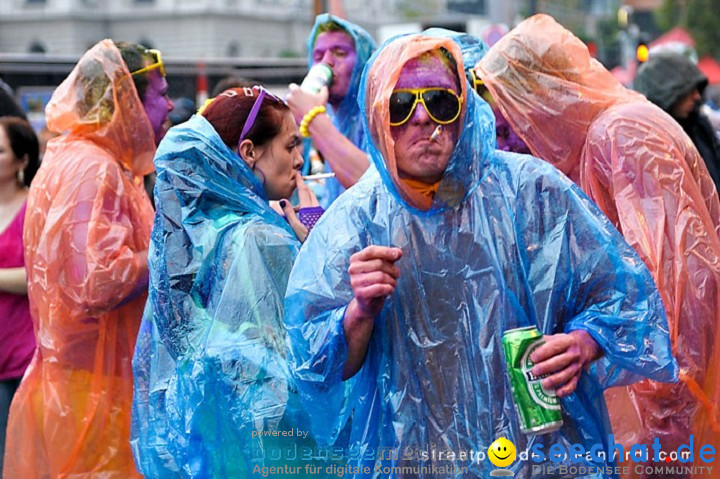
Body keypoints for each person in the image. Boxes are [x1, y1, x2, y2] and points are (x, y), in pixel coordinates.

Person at [284, 32, 677, 477]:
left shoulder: (533, 193)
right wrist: (359, 311)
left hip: (540, 456)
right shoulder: (355, 221)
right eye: (400, 106)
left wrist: (584, 343)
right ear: (377, 116)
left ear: (464, 110)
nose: (422, 119)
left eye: (439, 101)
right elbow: (317, 366)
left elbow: (623, 295)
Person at [474, 14, 720, 477]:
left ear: (543, 99)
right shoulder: (596, 143)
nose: (510, 148)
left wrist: (669, 417)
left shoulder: (622, 135)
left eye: (510, 128)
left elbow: (681, 289)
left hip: (677, 417)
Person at [131, 86, 329, 478]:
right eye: (290, 146)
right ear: (249, 151)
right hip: (272, 444)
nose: (300, 159)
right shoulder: (260, 237)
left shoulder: (191, 232)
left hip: (209, 440)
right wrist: (317, 242)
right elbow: (307, 350)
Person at [3, 40, 173, 478]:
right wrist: (172, 248)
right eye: (160, 93)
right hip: (94, 399)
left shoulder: (84, 159)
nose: (170, 105)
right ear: (127, 100)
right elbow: (96, 280)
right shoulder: (93, 169)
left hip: (86, 390)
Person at [286, 14, 376, 207]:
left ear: (363, 63)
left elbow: (371, 187)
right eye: (318, 56)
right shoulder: (333, 120)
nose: (326, 62)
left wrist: (314, 118)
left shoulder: (381, 116)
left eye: (340, 53)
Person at [0, 116, 39, 477]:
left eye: (0, 150)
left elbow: (42, 276)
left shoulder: (35, 209)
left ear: (22, 160)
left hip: (24, 355)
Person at [635, 52, 720, 194]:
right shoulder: (653, 144)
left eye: (697, 89)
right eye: (689, 90)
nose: (696, 96)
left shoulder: (699, 126)